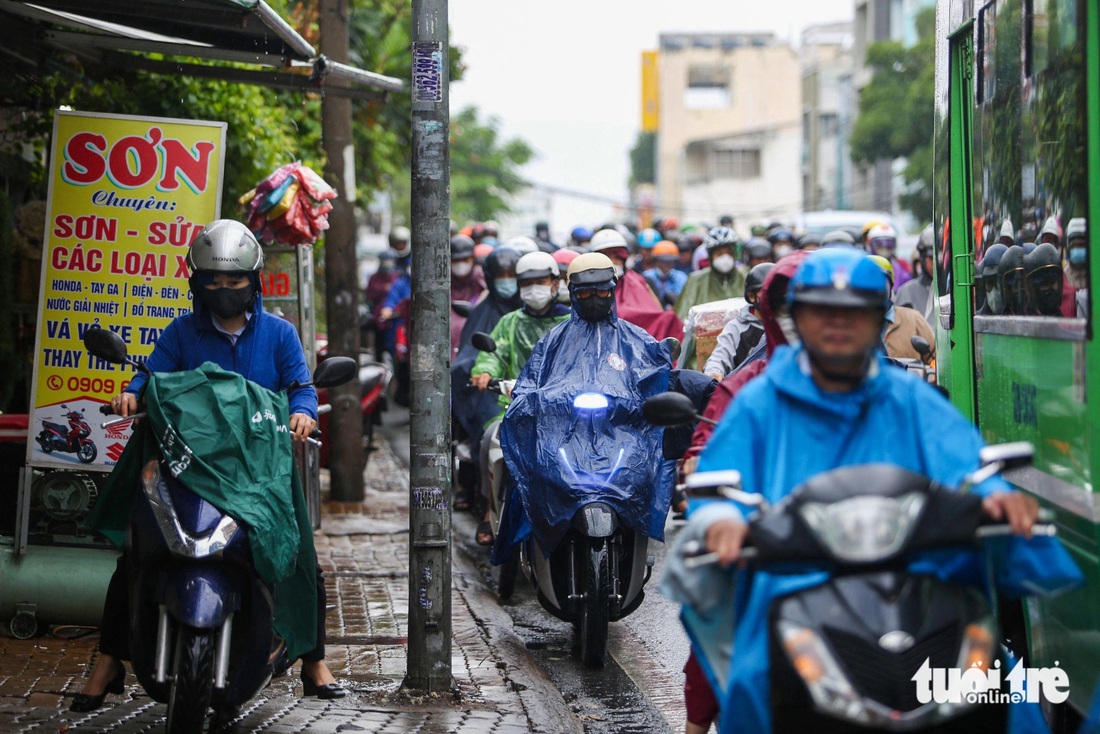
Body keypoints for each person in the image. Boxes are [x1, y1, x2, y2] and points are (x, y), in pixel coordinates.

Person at [682, 247, 1041, 733]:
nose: (837, 324)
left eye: (853, 312)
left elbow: (963, 461)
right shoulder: (758, 403)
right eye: (820, 311)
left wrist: (995, 495)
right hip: (795, 583)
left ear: (879, 319)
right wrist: (721, 520)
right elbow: (718, 483)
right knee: (751, 679)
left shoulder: (911, 396)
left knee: (1011, 695)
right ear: (796, 319)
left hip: (920, 581)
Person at [72, 220, 345, 713]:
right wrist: (131, 396)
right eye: (213, 282)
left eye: (235, 281)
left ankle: (312, 661)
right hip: (188, 468)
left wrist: (302, 411)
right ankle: (109, 660)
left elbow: (301, 387)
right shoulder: (181, 332)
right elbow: (150, 377)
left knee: (300, 554)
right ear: (196, 282)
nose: (223, 291)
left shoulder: (280, 335)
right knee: (135, 554)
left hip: (258, 470)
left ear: (254, 280)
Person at [491, 252, 676, 565]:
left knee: (643, 469)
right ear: (572, 292)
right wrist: (532, 400)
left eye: (602, 292)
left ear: (613, 289)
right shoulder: (552, 343)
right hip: (564, 437)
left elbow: (657, 378)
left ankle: (634, 544)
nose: (595, 299)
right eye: (586, 293)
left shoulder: (636, 340)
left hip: (622, 437)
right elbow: (530, 385)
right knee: (532, 471)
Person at [469, 252, 571, 545]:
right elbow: (492, 356)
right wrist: (486, 372)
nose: (534, 288)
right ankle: (490, 514)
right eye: (527, 283)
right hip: (516, 408)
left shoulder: (571, 322)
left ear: (555, 283)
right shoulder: (510, 322)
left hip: (565, 411)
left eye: (541, 281)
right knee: (490, 440)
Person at [450, 248, 524, 506]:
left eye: (511, 275)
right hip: (496, 390)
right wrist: (483, 373)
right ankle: (486, 506)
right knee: (489, 439)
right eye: (501, 275)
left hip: (532, 390)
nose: (507, 281)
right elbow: (481, 352)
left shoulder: (534, 314)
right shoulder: (487, 312)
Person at [589, 228, 684, 341]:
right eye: (608, 257)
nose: (613, 262)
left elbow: (656, 313)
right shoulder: (587, 286)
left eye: (617, 257)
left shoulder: (639, 280)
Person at [702, 263, 773, 381]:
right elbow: (719, 356)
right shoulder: (736, 328)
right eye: (766, 291)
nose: (772, 296)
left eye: (776, 291)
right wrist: (714, 372)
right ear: (751, 296)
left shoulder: (787, 324)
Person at [868, 255, 936, 361]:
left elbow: (935, 358)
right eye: (869, 282)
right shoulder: (852, 324)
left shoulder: (913, 319)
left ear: (891, 284)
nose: (875, 287)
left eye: (880, 281)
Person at [449, 234, 487, 357]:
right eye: (456, 260)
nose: (461, 264)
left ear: (473, 259)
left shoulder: (480, 277)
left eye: (465, 260)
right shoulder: (443, 279)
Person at [363, 248, 401, 361]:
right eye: (385, 261)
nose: (388, 264)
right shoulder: (374, 278)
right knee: (379, 348)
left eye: (390, 261)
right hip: (379, 319)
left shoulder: (399, 278)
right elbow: (369, 296)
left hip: (396, 319)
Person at [896, 225, 936, 326]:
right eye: (931, 258)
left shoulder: (958, 291)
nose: (934, 263)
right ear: (922, 257)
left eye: (939, 257)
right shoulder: (906, 292)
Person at [866, 223, 912, 290]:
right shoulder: (864, 265)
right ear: (871, 244)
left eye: (889, 247)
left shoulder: (901, 270)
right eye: (880, 247)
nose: (884, 251)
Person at [644, 241, 689, 309]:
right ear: (656, 261)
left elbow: (685, 300)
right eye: (663, 262)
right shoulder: (646, 276)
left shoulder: (681, 277)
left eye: (669, 262)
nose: (666, 266)